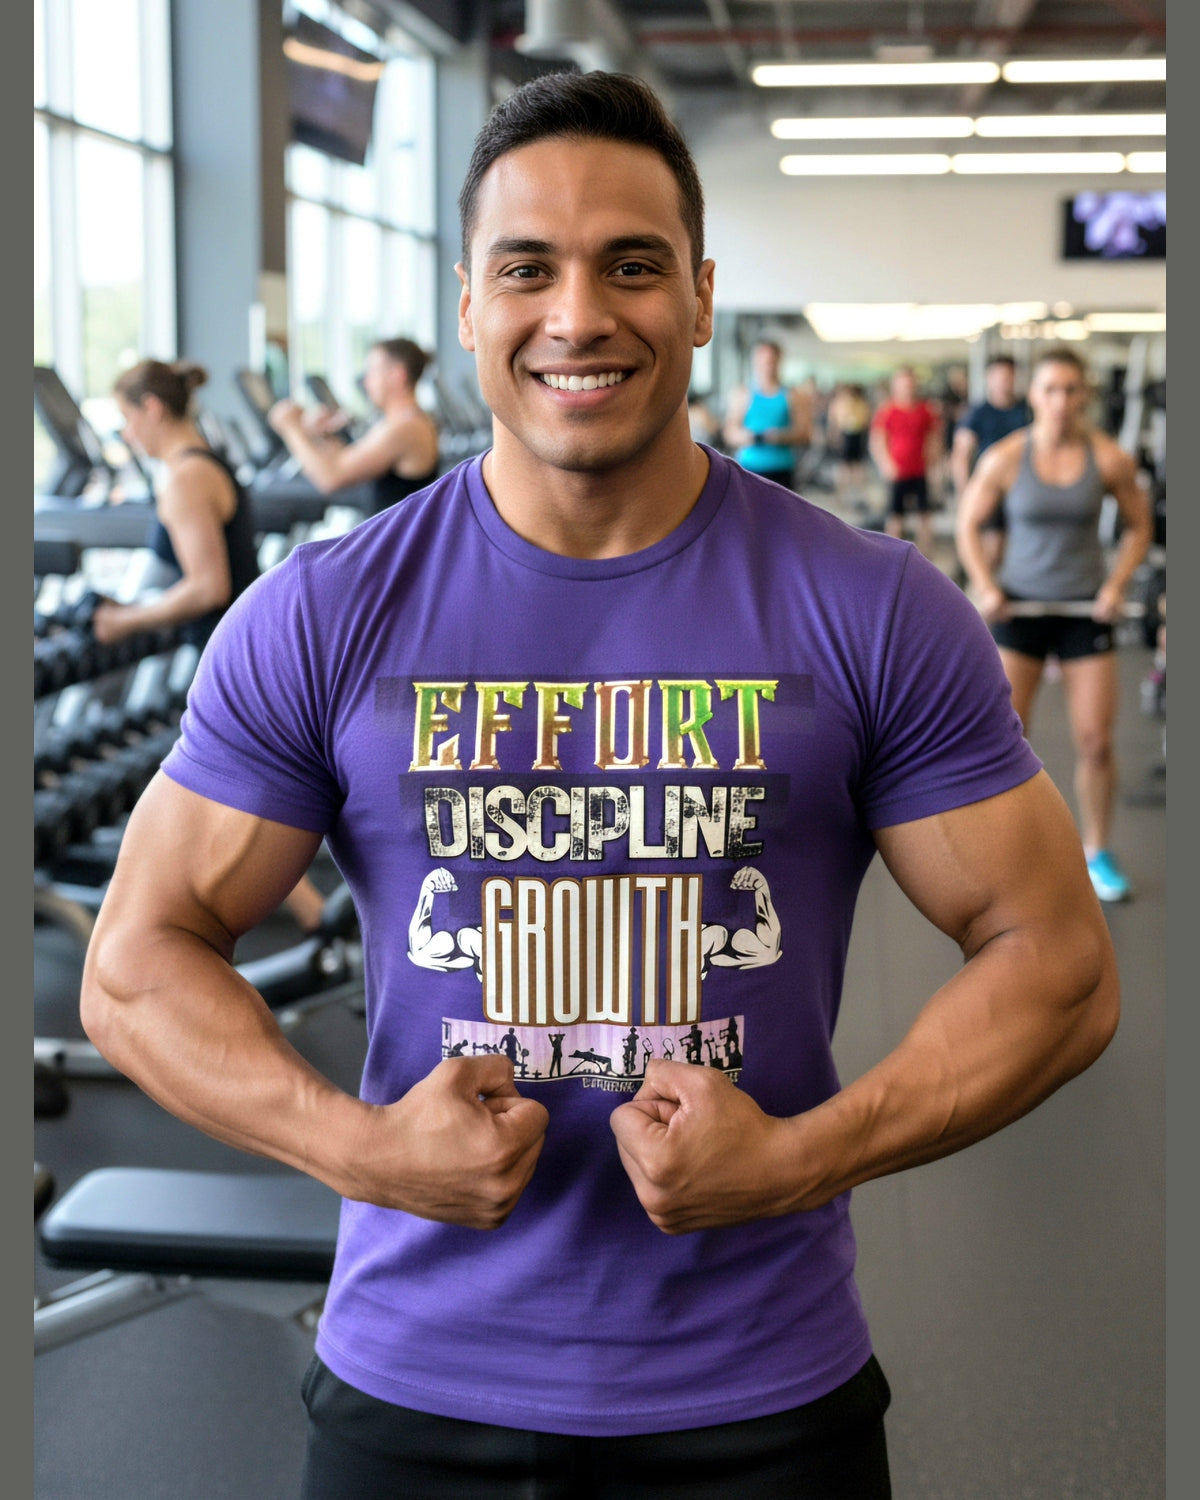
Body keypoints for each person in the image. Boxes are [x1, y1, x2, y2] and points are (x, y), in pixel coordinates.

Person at [80, 73, 1119, 1499]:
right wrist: (369, 1154)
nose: (578, 315)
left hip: (761, 1392)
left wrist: (801, 1159)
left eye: (632, 265)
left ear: (699, 298)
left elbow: (1058, 963)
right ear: (468, 307)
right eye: (528, 269)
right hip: (413, 1384)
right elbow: (133, 967)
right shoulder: (324, 613)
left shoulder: (872, 608)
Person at [96, 358, 328, 934]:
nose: (127, 433)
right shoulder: (204, 462)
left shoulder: (184, 479)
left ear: (152, 409)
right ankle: (319, 921)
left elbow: (207, 586)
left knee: (235, 799)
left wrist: (125, 621)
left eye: (127, 417)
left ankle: (310, 922)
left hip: (223, 656)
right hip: (241, 647)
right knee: (245, 797)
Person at [955, 346, 1153, 904]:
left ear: (1083, 394)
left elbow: (1140, 527)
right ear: (1033, 395)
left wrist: (1116, 585)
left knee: (1096, 742)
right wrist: (986, 585)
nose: (1060, 400)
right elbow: (968, 523)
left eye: (1070, 389)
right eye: (1050, 389)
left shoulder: (1109, 459)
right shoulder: (1005, 457)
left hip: (1084, 610)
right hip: (1020, 608)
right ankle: (1008, 858)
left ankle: (1097, 852)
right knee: (1006, 740)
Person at [267, 337, 440, 514]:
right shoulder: (404, 421)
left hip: (398, 532)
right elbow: (342, 460)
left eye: (372, 372)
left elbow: (330, 478)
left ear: (397, 376)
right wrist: (322, 435)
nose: (366, 382)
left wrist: (290, 426)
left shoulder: (405, 428)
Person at [950, 354, 1032, 569]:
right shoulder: (978, 413)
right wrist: (965, 492)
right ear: (989, 379)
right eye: (999, 377)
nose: (1004, 382)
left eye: (1008, 377)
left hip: (1022, 488)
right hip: (990, 488)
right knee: (993, 549)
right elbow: (961, 455)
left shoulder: (1026, 411)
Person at [868, 366, 944, 558]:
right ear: (895, 386)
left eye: (910, 384)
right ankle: (891, 556)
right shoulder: (887, 411)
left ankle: (925, 557)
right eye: (903, 385)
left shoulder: (926, 410)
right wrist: (885, 464)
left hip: (920, 470)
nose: (907, 389)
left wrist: (935, 466)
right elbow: (877, 441)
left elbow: (934, 439)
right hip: (898, 472)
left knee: (924, 515)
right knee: (895, 515)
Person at [722, 338, 813, 490]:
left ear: (779, 361)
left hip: (781, 468)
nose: (766, 366)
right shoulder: (742, 394)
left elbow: (805, 433)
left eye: (771, 361)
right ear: (755, 362)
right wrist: (748, 437)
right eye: (762, 361)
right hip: (749, 467)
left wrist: (778, 437)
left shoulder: (793, 395)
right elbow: (729, 432)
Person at [825, 381, 873, 510]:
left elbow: (864, 421)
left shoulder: (854, 403)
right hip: (849, 436)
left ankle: (851, 496)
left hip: (852, 436)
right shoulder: (845, 403)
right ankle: (843, 496)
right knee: (848, 468)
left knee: (852, 468)